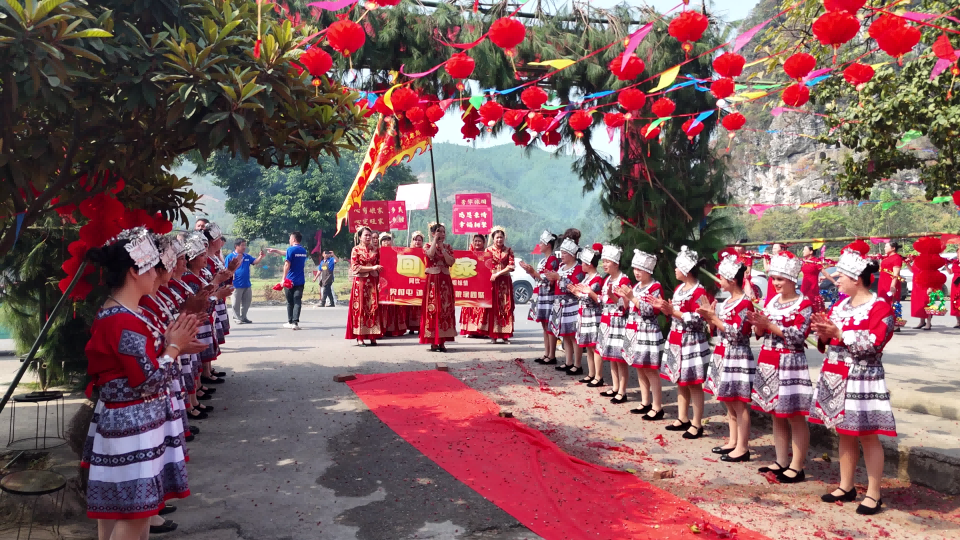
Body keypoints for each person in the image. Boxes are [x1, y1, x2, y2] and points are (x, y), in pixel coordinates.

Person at [82, 227, 197, 540]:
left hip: (131, 424)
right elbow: (147, 381)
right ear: (134, 271)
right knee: (134, 518)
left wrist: (176, 344)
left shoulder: (124, 313)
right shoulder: (123, 320)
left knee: (118, 513)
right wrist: (174, 348)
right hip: (131, 428)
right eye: (150, 267)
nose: (158, 273)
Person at [810, 248, 895, 515]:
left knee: (867, 435)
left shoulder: (880, 308)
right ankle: (846, 485)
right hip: (836, 375)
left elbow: (874, 343)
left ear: (857, 278)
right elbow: (829, 340)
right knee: (843, 432)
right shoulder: (839, 305)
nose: (837, 281)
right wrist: (824, 333)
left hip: (862, 378)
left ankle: (874, 493)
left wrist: (839, 332)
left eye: (841, 276)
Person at [746, 251, 813, 483]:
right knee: (776, 413)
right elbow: (761, 331)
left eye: (780, 279)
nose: (775, 284)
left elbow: (798, 335)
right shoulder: (771, 301)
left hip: (790, 363)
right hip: (769, 360)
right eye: (773, 279)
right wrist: (758, 324)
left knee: (794, 414)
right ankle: (781, 460)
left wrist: (769, 325)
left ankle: (797, 465)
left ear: (793, 279)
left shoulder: (804, 303)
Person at [698, 255, 754, 462]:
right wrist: (710, 319)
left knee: (739, 402)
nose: (718, 281)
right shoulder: (727, 302)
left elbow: (738, 332)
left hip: (738, 354)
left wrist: (714, 319)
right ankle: (732, 441)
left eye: (721, 277)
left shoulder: (745, 303)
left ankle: (743, 446)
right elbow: (718, 329)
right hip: (724, 352)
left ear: (732, 280)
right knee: (728, 401)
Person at [653, 246, 711, 440]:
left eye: (678, 267)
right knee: (679, 380)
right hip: (677, 338)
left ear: (686, 270)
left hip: (691, 340)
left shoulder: (698, 291)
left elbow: (698, 318)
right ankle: (682, 417)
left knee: (694, 383)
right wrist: (664, 309)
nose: (675, 271)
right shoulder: (679, 289)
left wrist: (673, 311)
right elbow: (674, 313)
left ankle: (697, 423)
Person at [619, 250, 665, 420]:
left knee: (651, 370)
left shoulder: (655, 287)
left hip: (648, 332)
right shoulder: (636, 287)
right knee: (639, 367)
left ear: (649, 271)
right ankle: (645, 402)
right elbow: (628, 308)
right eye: (635, 269)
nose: (636, 273)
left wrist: (633, 298)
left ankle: (657, 406)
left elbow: (651, 311)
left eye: (640, 269)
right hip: (634, 331)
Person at [596, 245, 632, 402]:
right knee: (610, 355)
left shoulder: (624, 280)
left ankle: (622, 391)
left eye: (607, 261)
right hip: (606, 319)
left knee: (620, 358)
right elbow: (603, 299)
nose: (604, 265)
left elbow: (626, 305)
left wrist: (613, 296)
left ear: (616, 263)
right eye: (603, 261)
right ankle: (615, 386)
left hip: (618, 321)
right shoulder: (607, 279)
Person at [520, 231, 560, 364]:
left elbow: (549, 278)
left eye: (542, 243)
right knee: (544, 325)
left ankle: (551, 355)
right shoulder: (544, 260)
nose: (540, 245)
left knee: (549, 325)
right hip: (542, 294)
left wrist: (533, 272)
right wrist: (530, 271)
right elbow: (539, 277)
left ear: (548, 245)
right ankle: (546, 353)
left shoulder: (553, 260)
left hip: (549, 295)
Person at [546, 238, 582, 370]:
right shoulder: (561, 267)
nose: (562, 255)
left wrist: (559, 278)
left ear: (572, 254)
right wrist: (551, 280)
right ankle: (568, 362)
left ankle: (577, 364)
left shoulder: (577, 269)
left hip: (571, 304)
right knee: (565, 334)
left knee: (573, 335)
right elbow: (555, 286)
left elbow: (575, 287)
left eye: (564, 253)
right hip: (559, 304)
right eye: (561, 252)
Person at [420, 223, 457, 352]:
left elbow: (451, 262)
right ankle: (433, 341)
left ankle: (442, 341)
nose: (442, 234)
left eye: (443, 231)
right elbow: (430, 255)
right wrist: (435, 241)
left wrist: (443, 249)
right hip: (433, 282)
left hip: (445, 281)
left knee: (445, 309)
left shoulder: (448, 247)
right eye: (438, 231)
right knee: (433, 309)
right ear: (432, 233)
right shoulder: (427, 246)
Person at [346, 227, 382, 345]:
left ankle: (373, 335)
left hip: (372, 282)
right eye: (366, 235)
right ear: (360, 237)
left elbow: (382, 265)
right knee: (360, 308)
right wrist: (372, 268)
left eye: (369, 235)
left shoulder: (376, 250)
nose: (368, 237)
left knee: (373, 307)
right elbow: (355, 267)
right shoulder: (356, 250)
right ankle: (360, 336)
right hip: (360, 283)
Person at [572, 245, 603, 382]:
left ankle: (598, 376)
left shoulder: (597, 279)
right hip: (585, 314)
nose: (582, 265)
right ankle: (591, 373)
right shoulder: (586, 279)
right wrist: (577, 292)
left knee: (594, 346)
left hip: (593, 315)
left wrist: (577, 293)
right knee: (589, 347)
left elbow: (589, 297)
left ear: (589, 264)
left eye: (584, 263)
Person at [484, 227, 516, 344]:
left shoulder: (508, 250)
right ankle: (493, 335)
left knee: (506, 307)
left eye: (501, 237)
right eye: (497, 237)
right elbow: (484, 265)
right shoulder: (488, 250)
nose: (499, 240)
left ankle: (505, 335)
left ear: (504, 238)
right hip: (493, 282)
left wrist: (498, 273)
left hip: (505, 282)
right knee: (494, 308)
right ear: (493, 238)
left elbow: (511, 266)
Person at [225, 238, 264, 324]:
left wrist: (261, 256)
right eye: (242, 245)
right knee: (236, 303)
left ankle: (243, 317)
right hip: (236, 284)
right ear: (236, 246)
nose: (244, 247)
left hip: (246, 283)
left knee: (247, 302)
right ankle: (236, 318)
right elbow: (226, 269)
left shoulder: (246, 256)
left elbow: (255, 262)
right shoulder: (230, 257)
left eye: (245, 245)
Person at [377, 233, 408, 337]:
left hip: (394, 281)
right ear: (381, 242)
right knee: (383, 306)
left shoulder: (396, 253)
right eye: (384, 240)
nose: (386, 242)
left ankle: (395, 329)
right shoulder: (377, 252)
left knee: (394, 304)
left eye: (388, 239)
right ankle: (383, 328)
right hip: (381, 281)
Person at [459, 233, 489, 338]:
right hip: (470, 282)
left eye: (479, 241)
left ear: (484, 242)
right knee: (469, 305)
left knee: (482, 306)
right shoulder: (469, 253)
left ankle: (481, 329)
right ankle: (470, 330)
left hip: (482, 283)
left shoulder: (487, 254)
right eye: (475, 241)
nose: (477, 243)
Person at [280, 232, 308, 330]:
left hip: (290, 280)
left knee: (290, 302)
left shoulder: (290, 249)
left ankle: (290, 321)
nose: (289, 240)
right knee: (297, 301)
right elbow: (290, 254)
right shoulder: (303, 251)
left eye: (290, 238)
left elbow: (287, 264)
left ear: (294, 239)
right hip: (300, 280)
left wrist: (283, 278)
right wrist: (276, 251)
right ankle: (295, 323)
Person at [800, 245, 835, 314]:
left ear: (811, 252)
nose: (803, 252)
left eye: (805, 250)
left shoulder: (816, 262)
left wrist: (834, 282)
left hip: (813, 287)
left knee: (814, 306)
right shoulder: (804, 262)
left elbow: (825, 274)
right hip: (804, 286)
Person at [406, 233, 425, 334]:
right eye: (415, 240)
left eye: (419, 240)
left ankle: (420, 325)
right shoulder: (408, 252)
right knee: (411, 303)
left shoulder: (426, 252)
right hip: (410, 281)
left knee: (421, 304)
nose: (417, 242)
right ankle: (411, 327)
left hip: (421, 280)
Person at [951, 243, 960, 328]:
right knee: (955, 301)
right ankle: (958, 322)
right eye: (957, 253)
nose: (958, 254)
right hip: (955, 283)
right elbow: (950, 272)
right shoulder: (955, 263)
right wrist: (946, 265)